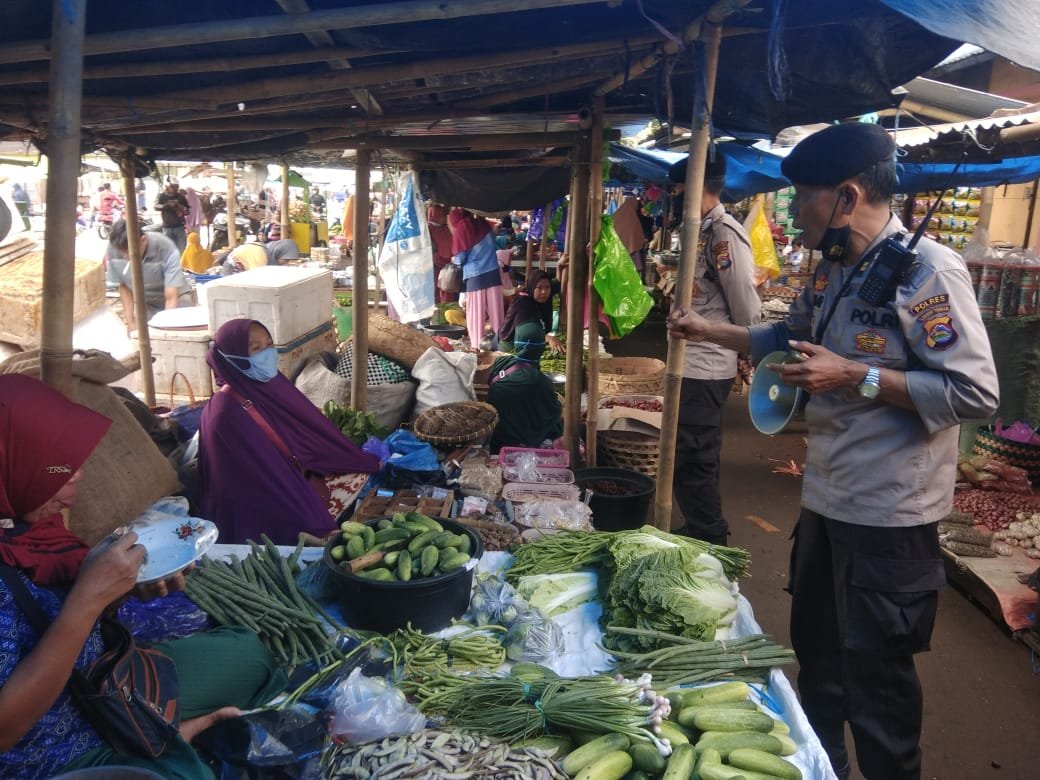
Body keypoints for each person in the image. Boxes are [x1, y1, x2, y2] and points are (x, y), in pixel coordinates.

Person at [666, 122, 999, 780]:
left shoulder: (929, 273)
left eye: (801, 197)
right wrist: (708, 329)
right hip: (826, 501)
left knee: (877, 690)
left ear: (846, 197)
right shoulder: (837, 271)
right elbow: (785, 338)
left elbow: (974, 392)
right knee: (818, 667)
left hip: (890, 519)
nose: (791, 212)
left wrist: (856, 375)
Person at [0, 374, 285, 779]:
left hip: (106, 682)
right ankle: (164, 740)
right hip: (57, 748)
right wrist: (88, 601)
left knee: (250, 651)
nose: (78, 475)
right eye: (56, 466)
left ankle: (159, 733)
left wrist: (123, 591)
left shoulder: (21, 525)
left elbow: (53, 607)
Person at [198, 319, 380, 545]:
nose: (267, 353)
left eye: (269, 344)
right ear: (231, 358)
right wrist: (310, 518)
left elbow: (308, 427)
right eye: (256, 349)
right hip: (257, 501)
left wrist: (340, 456)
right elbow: (259, 480)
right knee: (314, 527)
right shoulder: (225, 414)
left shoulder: (269, 383)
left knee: (360, 469)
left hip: (293, 470)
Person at [666, 154, 761, 546]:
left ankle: (709, 538)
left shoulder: (724, 234)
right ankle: (697, 527)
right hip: (691, 363)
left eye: (676, 188)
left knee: (694, 458)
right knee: (684, 455)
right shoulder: (702, 231)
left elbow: (747, 308)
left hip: (706, 367)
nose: (672, 195)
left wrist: (745, 349)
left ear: (696, 186)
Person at [105, 219, 193, 334]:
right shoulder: (115, 248)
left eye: (129, 252)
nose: (125, 257)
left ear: (143, 241)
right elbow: (124, 286)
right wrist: (130, 322)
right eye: (122, 252)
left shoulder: (166, 248)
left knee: (175, 335)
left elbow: (171, 297)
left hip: (178, 297)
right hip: (148, 301)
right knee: (144, 337)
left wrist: (165, 329)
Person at [485, 322, 563, 452]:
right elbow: (553, 414)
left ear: (516, 344)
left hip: (498, 440)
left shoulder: (502, 363)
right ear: (541, 347)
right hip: (526, 442)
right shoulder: (541, 381)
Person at [450, 208, 504, 348]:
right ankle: (501, 347)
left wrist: (453, 261)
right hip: (493, 274)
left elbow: (460, 258)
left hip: (475, 277)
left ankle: (476, 348)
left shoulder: (462, 228)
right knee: (497, 316)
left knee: (475, 317)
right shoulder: (483, 223)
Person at [499, 269, 563, 356]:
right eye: (539, 288)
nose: (544, 292)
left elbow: (557, 283)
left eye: (547, 287)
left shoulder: (545, 294)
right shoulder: (523, 303)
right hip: (511, 344)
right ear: (532, 287)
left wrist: (560, 265)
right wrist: (548, 338)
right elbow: (526, 333)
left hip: (532, 340)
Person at [428, 203, 456, 303]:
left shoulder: (446, 228)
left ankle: (445, 310)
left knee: (448, 287)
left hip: (447, 263)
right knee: (435, 288)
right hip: (435, 263)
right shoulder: (428, 228)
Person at [156, 180, 190, 253]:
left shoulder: (181, 197)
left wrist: (180, 207)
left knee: (181, 249)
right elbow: (156, 207)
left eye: (176, 187)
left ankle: (180, 263)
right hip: (167, 227)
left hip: (179, 227)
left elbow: (187, 211)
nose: (175, 188)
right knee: (168, 249)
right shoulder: (162, 196)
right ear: (167, 186)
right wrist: (167, 205)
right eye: (173, 186)